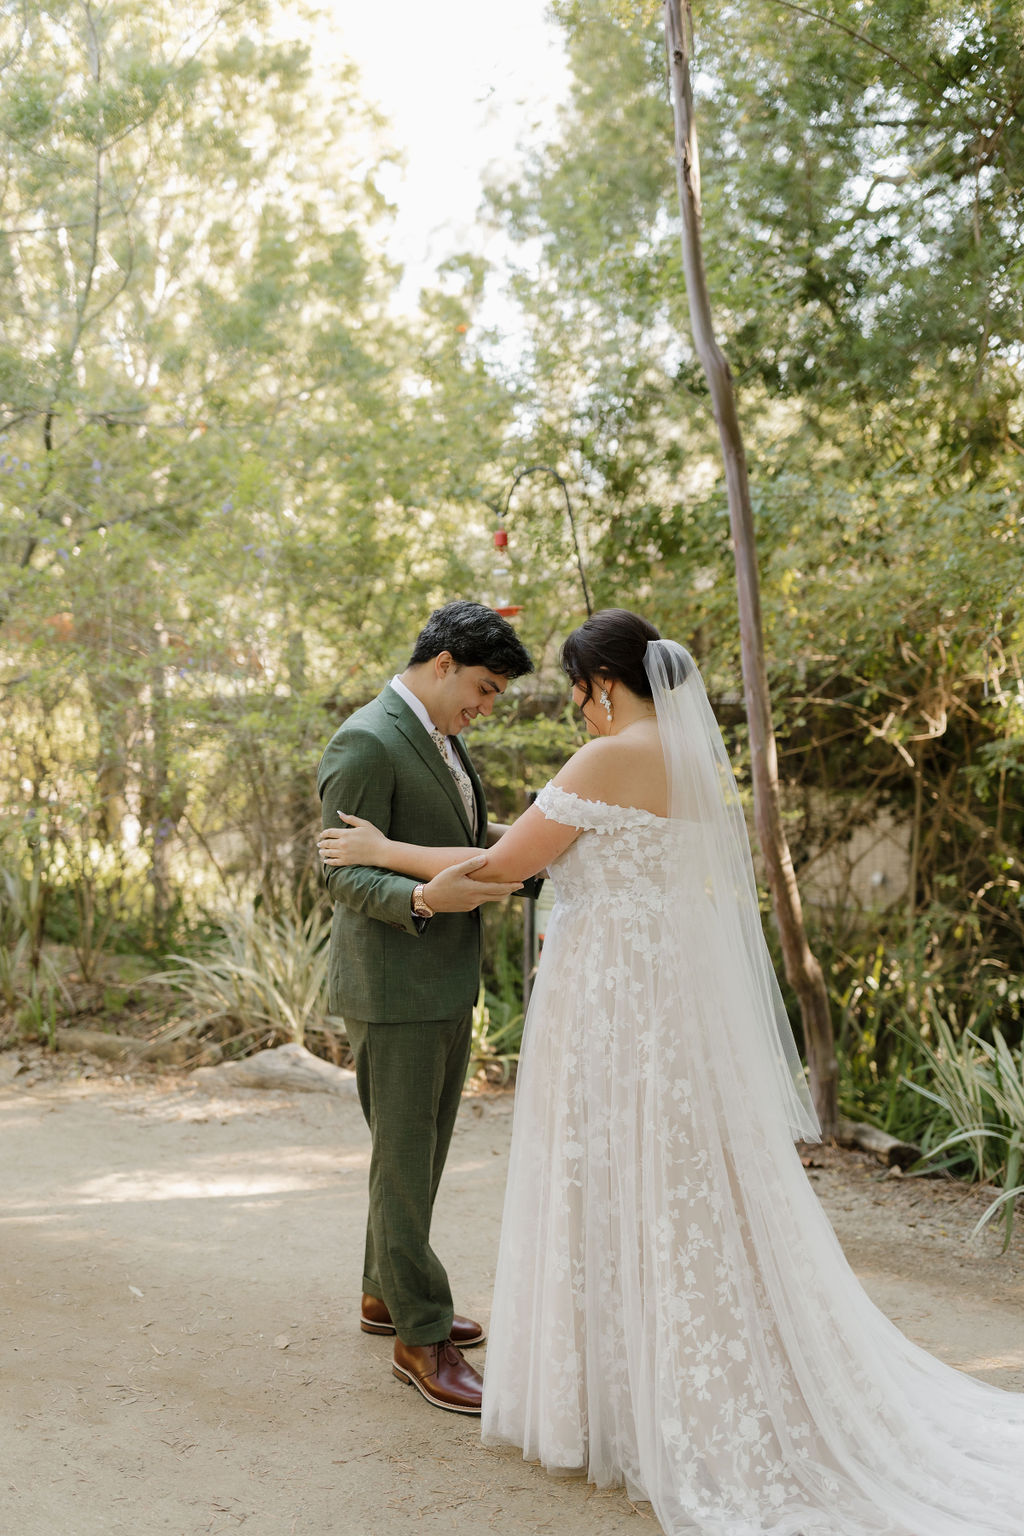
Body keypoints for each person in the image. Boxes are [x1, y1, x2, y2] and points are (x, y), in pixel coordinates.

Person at [319, 609, 1024, 1535]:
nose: (575, 711)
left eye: (575, 693)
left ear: (603, 684)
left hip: (612, 1002)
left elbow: (506, 866)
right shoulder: (688, 759)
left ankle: (607, 1386)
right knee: (672, 1179)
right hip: (661, 998)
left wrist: (381, 852)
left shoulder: (606, 759)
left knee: (611, 1172)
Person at [316, 600, 534, 1417]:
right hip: (395, 984)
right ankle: (421, 1335)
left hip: (444, 980)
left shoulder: (441, 739)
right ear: (442, 663)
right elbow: (337, 873)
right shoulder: (366, 740)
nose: (485, 708)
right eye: (482, 689)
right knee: (405, 1165)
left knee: (420, 1157)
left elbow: (470, 832)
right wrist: (421, 900)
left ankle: (383, 1295)